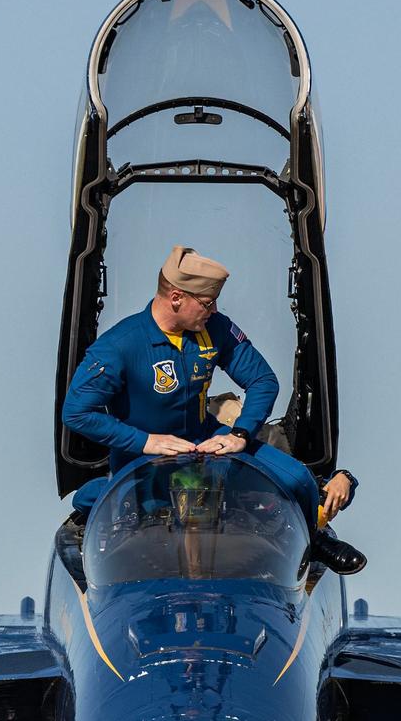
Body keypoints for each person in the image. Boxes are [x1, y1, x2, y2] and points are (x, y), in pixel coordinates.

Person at [62, 245, 365, 574]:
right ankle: (91, 499)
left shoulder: (215, 328)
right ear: (177, 297)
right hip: (141, 454)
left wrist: (239, 434)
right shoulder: (119, 345)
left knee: (298, 479)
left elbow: (263, 380)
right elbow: (77, 413)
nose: (214, 309)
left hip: (206, 439)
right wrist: (145, 441)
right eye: (206, 303)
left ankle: (314, 538)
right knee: (125, 505)